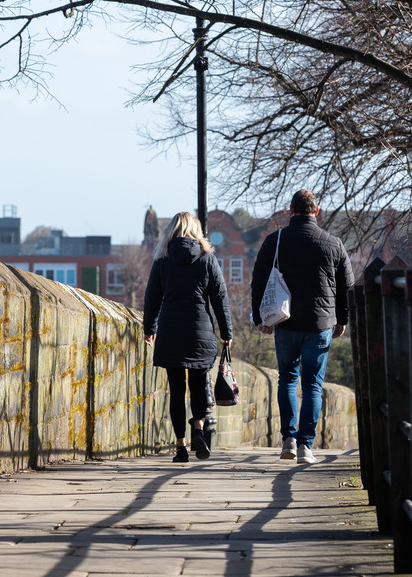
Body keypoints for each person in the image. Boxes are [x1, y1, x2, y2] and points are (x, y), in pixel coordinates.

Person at [250, 190, 353, 465]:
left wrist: (259, 316)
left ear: (291, 210)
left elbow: (258, 279)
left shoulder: (275, 241)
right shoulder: (333, 243)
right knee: (313, 386)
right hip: (320, 324)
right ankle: (306, 445)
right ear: (316, 211)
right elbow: (347, 287)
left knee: (287, 379)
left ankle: (289, 440)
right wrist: (341, 319)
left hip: (285, 322)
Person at [143, 212, 233, 463]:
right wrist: (227, 332)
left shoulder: (162, 260)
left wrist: (149, 327)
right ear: (196, 231)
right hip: (199, 331)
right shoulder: (207, 259)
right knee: (198, 386)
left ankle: (181, 447)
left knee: (176, 390)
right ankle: (199, 432)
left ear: (171, 231)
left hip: (171, 331)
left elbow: (152, 298)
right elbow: (219, 298)